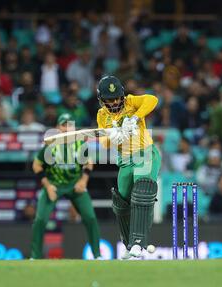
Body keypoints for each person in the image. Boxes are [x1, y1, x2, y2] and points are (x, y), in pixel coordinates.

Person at [96, 75, 161, 259]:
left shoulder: (131, 102)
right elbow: (103, 143)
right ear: (102, 100)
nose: (115, 102)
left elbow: (152, 99)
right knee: (122, 202)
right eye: (110, 99)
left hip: (145, 154)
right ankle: (129, 244)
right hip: (125, 161)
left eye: (117, 97)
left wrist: (134, 117)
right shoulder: (102, 115)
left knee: (142, 192)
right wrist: (112, 138)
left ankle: (139, 244)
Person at [30, 113, 101, 259]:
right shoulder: (51, 146)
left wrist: (83, 181)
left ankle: (97, 255)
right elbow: (36, 165)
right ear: (57, 128)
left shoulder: (80, 144)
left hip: (75, 184)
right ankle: (35, 257)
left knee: (90, 218)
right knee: (40, 220)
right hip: (54, 185)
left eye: (70, 125)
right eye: (63, 125)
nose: (67, 128)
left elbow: (89, 163)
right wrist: (48, 186)